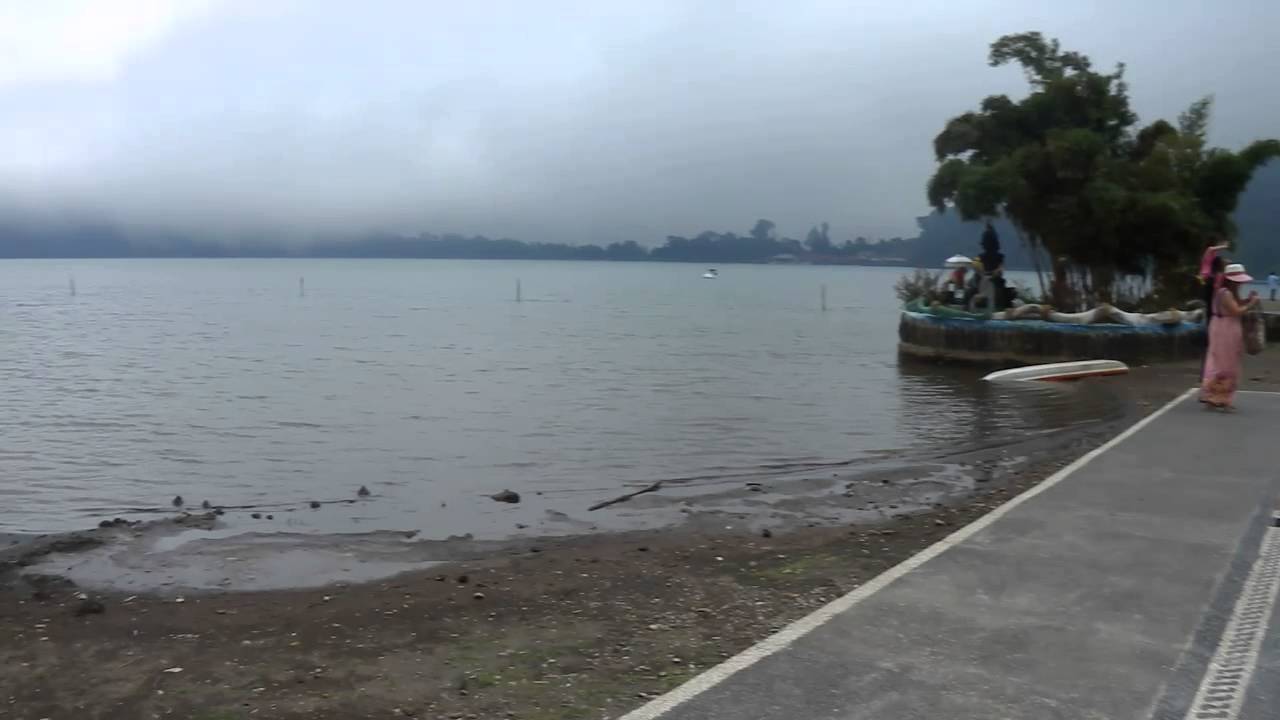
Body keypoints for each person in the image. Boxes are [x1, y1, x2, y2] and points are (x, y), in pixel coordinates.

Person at [1201, 263, 1260, 411]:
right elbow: (1236, 311)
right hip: (1226, 327)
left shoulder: (1227, 292)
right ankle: (1217, 396)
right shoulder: (1225, 293)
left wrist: (1247, 300)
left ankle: (1218, 397)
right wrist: (1251, 303)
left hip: (1224, 325)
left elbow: (1238, 305)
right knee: (1225, 360)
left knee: (1224, 358)